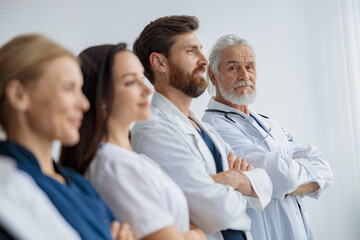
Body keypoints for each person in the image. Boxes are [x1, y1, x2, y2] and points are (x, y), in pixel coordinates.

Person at [131, 15, 273, 240]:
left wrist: (235, 180)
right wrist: (241, 183)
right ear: (159, 63)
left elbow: (265, 182)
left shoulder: (202, 127)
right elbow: (216, 212)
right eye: (191, 51)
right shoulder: (152, 131)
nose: (204, 61)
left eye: (201, 50)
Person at [60, 43, 206, 240]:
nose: (147, 89)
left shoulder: (129, 160)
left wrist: (191, 233)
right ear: (101, 97)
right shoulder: (114, 165)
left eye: (142, 78)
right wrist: (196, 235)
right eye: (130, 82)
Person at [0, 34, 134, 240]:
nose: (84, 104)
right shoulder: (8, 187)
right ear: (19, 95)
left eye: (80, 89)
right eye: (68, 88)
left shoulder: (79, 185)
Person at [202, 34, 334, 240]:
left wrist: (283, 183)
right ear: (213, 76)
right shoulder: (215, 128)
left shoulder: (269, 123)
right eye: (233, 67)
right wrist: (297, 178)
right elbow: (282, 176)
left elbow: (324, 168)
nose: (244, 75)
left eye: (250, 66)